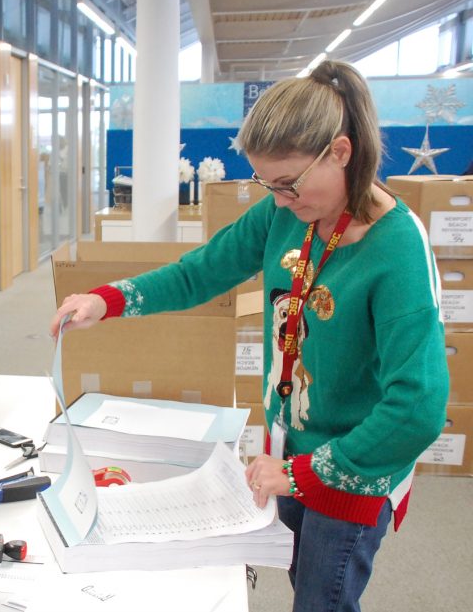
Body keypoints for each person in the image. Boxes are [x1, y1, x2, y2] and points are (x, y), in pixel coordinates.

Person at [50, 60, 448, 611]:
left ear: (340, 151)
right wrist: (108, 298)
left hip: (353, 470)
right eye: (268, 184)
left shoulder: (397, 248)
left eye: (289, 183)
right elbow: (201, 271)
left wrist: (303, 473)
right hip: (288, 453)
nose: (280, 199)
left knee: (321, 601)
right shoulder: (288, 212)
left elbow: (418, 408)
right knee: (298, 580)